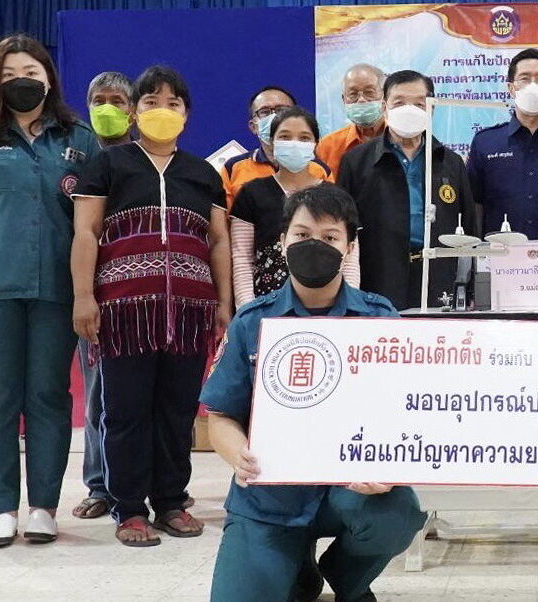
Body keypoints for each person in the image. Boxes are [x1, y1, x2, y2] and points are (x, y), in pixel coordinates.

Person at [204, 184, 426, 602]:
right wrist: (238, 455)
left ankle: (347, 580)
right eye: (302, 234)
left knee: (395, 516)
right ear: (282, 240)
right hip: (270, 497)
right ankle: (297, 570)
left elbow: (405, 411)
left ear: (350, 247)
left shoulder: (379, 320)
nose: (315, 245)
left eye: (330, 237)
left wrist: (391, 466)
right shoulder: (253, 322)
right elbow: (220, 416)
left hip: (352, 489)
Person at [71, 65, 232, 546]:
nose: (162, 110)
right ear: (134, 113)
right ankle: (128, 509)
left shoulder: (203, 174)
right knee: (125, 412)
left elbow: (219, 242)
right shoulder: (108, 166)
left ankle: (170, 502)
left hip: (189, 315)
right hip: (124, 314)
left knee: (177, 412)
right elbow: (86, 233)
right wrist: (84, 296)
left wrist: (223, 302)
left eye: (173, 103)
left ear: (186, 114)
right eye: (151, 102)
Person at [0, 33, 98, 548]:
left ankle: (43, 506)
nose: (22, 81)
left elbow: (90, 223)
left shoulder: (78, 138)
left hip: (56, 289)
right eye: (10, 74)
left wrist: (85, 290)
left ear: (49, 77)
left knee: (48, 395)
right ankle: (0, 509)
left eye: (31, 72)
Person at [338, 70, 477, 311]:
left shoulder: (451, 162)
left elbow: (469, 227)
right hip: (377, 276)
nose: (409, 110)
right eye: (399, 103)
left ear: (431, 108)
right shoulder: (356, 162)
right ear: (384, 107)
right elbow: (344, 227)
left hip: (438, 275)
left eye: (419, 104)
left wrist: (470, 285)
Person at [71, 70, 134, 521]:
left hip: (138, 294)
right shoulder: (76, 159)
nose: (108, 108)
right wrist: (83, 293)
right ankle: (99, 484)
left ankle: (150, 484)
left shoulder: (147, 159)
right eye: (99, 100)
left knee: (138, 396)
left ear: (132, 111)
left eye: (117, 100)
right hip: (90, 292)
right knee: (97, 394)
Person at [231, 107, 360, 308]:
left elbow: (350, 260)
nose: (294, 143)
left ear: (315, 144)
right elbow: (242, 259)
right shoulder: (251, 193)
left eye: (304, 138)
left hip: (330, 306)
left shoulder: (337, 197)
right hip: (268, 306)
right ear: (272, 142)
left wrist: (348, 307)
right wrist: (247, 310)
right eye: (285, 136)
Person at [468, 48, 538, 240]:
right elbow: (474, 203)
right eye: (524, 78)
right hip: (499, 251)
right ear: (511, 88)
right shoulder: (485, 142)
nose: (533, 85)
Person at [220, 86, 332, 211]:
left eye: (282, 110)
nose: (274, 117)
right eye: (264, 112)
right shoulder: (233, 168)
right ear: (253, 126)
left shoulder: (320, 169)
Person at [316, 63, 387, 179]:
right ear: (344, 99)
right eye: (353, 94)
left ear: (385, 95)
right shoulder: (327, 146)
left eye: (369, 92)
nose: (361, 100)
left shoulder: (400, 140)